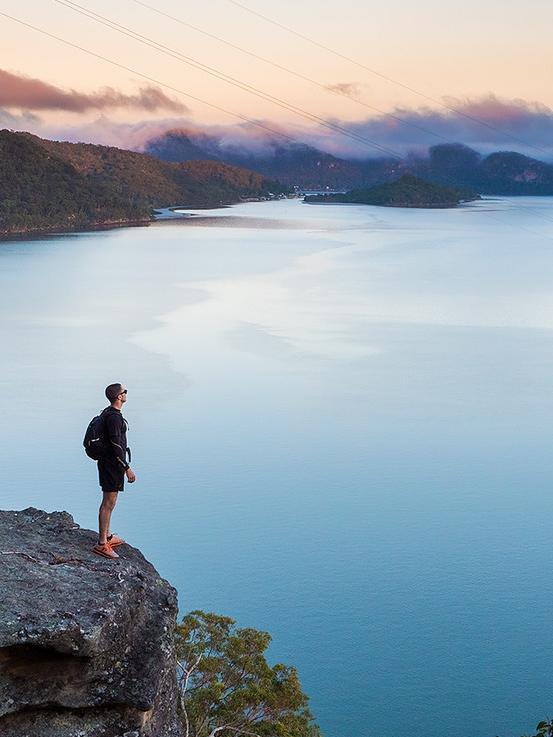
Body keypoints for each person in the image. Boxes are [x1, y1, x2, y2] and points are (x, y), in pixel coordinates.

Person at [93, 383, 136, 559]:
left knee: (109, 501)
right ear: (119, 396)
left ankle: (108, 535)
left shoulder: (108, 412)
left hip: (108, 463)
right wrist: (127, 468)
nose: (126, 393)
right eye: (124, 391)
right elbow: (116, 446)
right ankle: (102, 543)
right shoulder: (114, 418)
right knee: (108, 502)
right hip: (112, 464)